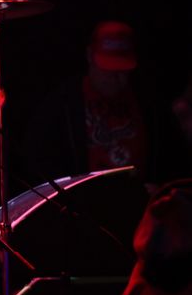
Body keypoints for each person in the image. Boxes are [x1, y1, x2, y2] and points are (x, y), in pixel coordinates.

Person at [20, 20, 189, 188]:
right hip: (83, 201)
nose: (115, 77)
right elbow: (40, 165)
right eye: (108, 68)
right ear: (89, 56)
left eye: (122, 70)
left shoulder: (149, 104)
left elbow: (172, 159)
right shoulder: (61, 107)